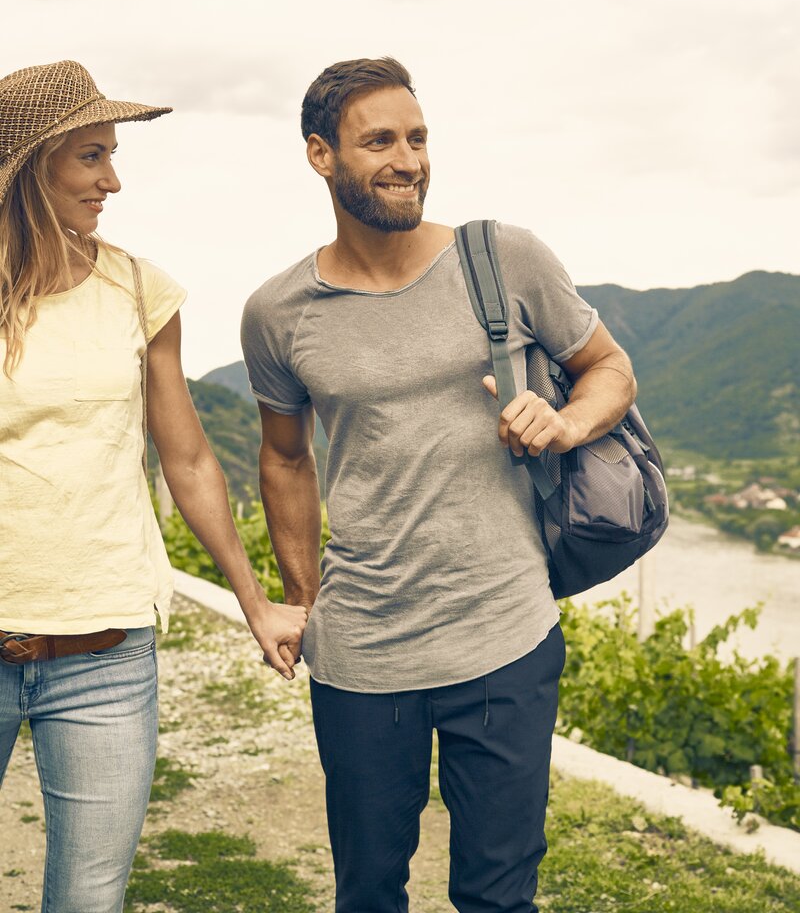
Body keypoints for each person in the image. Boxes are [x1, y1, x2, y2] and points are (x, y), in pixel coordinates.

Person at [240, 56, 636, 913]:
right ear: (320, 155)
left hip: (505, 633)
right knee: (370, 892)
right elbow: (284, 458)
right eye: (379, 140)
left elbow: (609, 370)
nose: (408, 159)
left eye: (418, 138)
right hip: (361, 652)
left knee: (499, 895)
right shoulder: (278, 313)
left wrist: (565, 422)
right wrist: (303, 600)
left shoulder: (506, 260)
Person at [0, 60, 307, 913]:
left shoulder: (138, 287)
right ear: (32, 167)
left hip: (106, 652)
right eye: (92, 157)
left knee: (90, 901)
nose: (114, 180)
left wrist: (253, 600)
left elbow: (191, 459)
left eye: (113, 155)